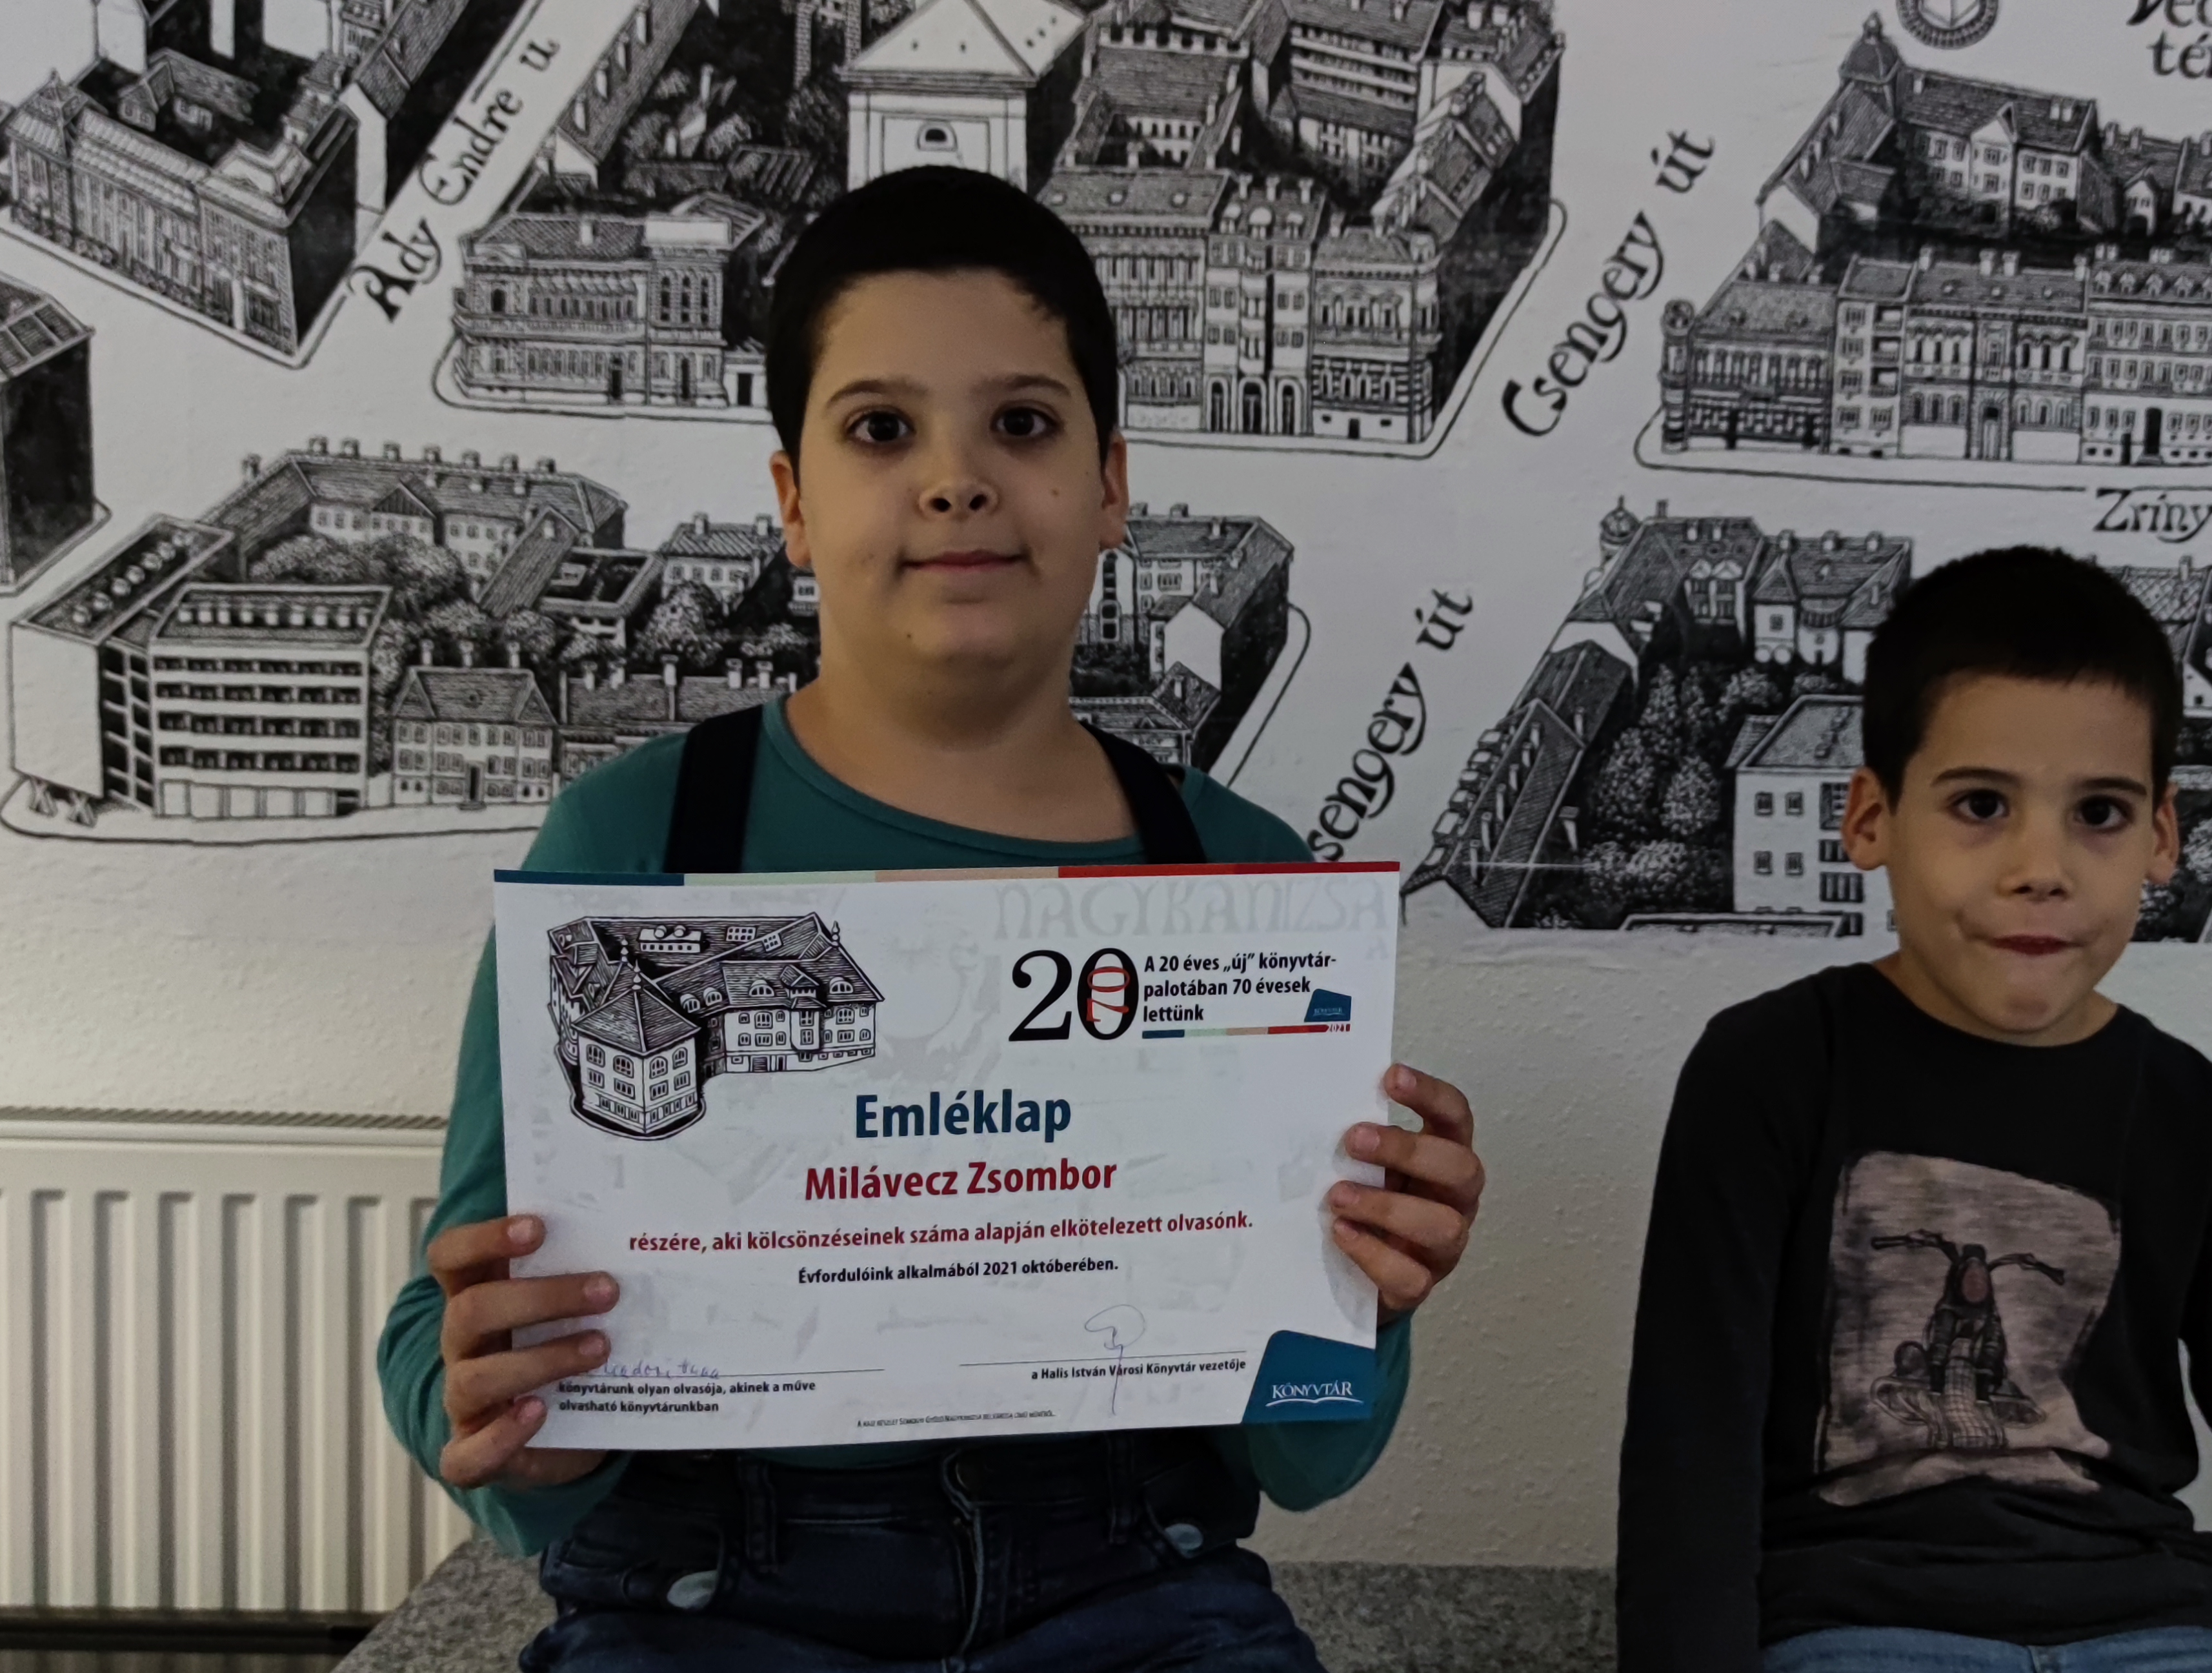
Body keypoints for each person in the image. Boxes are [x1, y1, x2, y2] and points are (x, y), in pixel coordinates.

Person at [376, 167, 1488, 1673]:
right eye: (881, 429)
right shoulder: (627, 844)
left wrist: (1371, 1294)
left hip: (1134, 1588)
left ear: (1112, 485)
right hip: (707, 1595)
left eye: (1021, 424)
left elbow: (1305, 1453)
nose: (956, 480)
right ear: (793, 504)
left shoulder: (1244, 884)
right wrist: (517, 1419)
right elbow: (445, 1343)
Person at [1613, 548, 2212, 1673]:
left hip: (2157, 1630)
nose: (2040, 867)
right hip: (1862, 1624)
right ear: (1872, 819)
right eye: (1980, 805)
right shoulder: (1765, 1072)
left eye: (2098, 811)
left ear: (2162, 837)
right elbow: (1690, 1457)